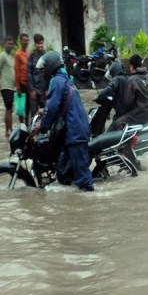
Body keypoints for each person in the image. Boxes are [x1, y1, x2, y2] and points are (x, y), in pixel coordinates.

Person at [33, 50, 94, 192]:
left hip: (76, 133)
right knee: (62, 172)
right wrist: (44, 111)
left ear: (50, 66)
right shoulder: (65, 79)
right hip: (73, 132)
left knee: (83, 180)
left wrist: (41, 125)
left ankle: (90, 202)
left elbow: (53, 107)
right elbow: (58, 103)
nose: (42, 73)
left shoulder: (57, 81)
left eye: (44, 70)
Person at [114, 54, 148, 130]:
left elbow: (128, 102)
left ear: (131, 67)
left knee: (119, 122)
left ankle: (129, 141)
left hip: (143, 113)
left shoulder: (132, 80)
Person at [91, 60, 128, 136]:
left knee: (108, 137)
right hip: (128, 112)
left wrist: (99, 96)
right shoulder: (126, 79)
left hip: (121, 114)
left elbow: (109, 89)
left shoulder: (117, 79)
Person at [0, 35, 16, 137]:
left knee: (10, 109)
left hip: (12, 87)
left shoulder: (11, 57)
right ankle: (8, 131)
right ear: (4, 44)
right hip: (5, 86)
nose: (11, 46)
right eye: (9, 44)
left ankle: (9, 131)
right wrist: (1, 79)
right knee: (9, 108)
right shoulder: (2, 55)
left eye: (12, 44)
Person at [27, 33, 46, 113]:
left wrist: (47, 89)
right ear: (35, 44)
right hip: (35, 91)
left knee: (46, 113)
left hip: (44, 91)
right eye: (38, 43)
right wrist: (32, 90)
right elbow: (29, 74)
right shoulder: (31, 57)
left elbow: (48, 73)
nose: (40, 45)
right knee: (34, 114)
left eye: (41, 43)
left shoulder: (46, 56)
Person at [14, 33, 30, 123]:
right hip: (21, 84)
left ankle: (27, 126)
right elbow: (16, 71)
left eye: (27, 40)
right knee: (21, 107)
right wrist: (18, 87)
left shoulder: (28, 53)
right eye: (25, 41)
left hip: (28, 83)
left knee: (28, 107)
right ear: (20, 41)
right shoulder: (17, 54)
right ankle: (21, 126)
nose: (26, 42)